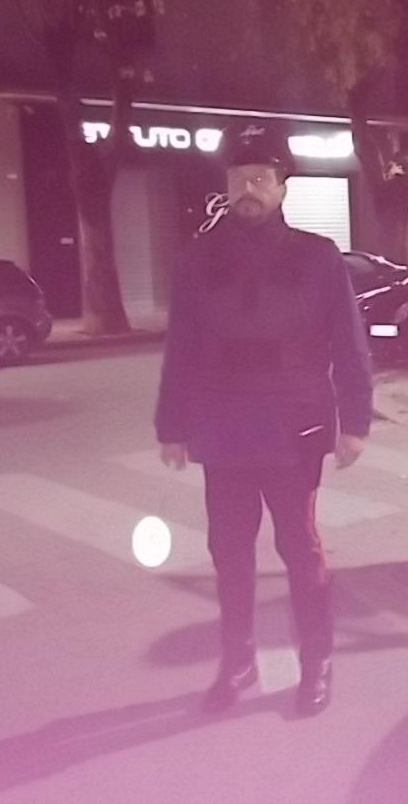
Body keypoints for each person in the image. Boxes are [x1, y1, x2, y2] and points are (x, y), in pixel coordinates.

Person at [155, 122, 372, 717]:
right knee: (229, 550)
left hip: (293, 424)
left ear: (282, 186)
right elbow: (181, 346)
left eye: (259, 179)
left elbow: (349, 343)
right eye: (238, 179)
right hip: (222, 423)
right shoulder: (197, 259)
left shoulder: (318, 257)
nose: (247, 189)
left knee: (299, 547)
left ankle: (317, 662)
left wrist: (356, 420)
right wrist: (171, 425)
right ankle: (238, 661)